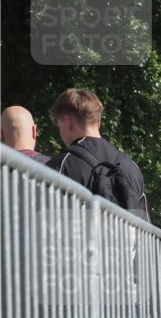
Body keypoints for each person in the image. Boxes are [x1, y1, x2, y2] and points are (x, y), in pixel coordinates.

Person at [46, 88, 148, 222]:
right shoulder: (132, 167)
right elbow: (146, 228)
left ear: (68, 122)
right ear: (98, 122)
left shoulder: (61, 164)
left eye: (59, 125)